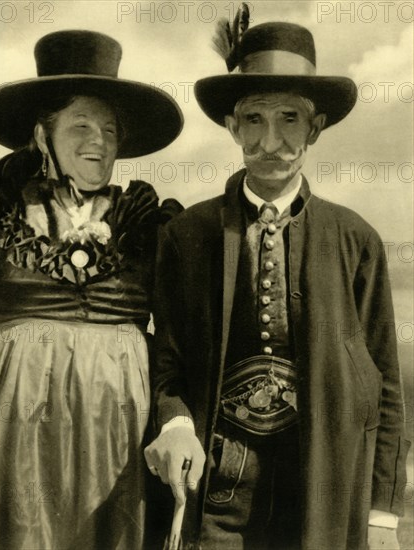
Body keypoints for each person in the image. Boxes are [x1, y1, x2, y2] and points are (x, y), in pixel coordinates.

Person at [144, 10, 410, 550]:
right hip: (219, 485)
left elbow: (384, 386)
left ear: (316, 127)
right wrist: (175, 425)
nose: (273, 140)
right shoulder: (188, 236)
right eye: (255, 120)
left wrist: (382, 513)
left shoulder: (356, 240)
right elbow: (165, 363)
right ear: (231, 126)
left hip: (323, 484)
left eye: (290, 118)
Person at [0, 30, 183, 549]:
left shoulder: (148, 223)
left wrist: (175, 423)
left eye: (109, 129)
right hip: (14, 437)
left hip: (116, 441)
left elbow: (177, 340)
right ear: (43, 136)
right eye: (80, 125)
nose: (98, 142)